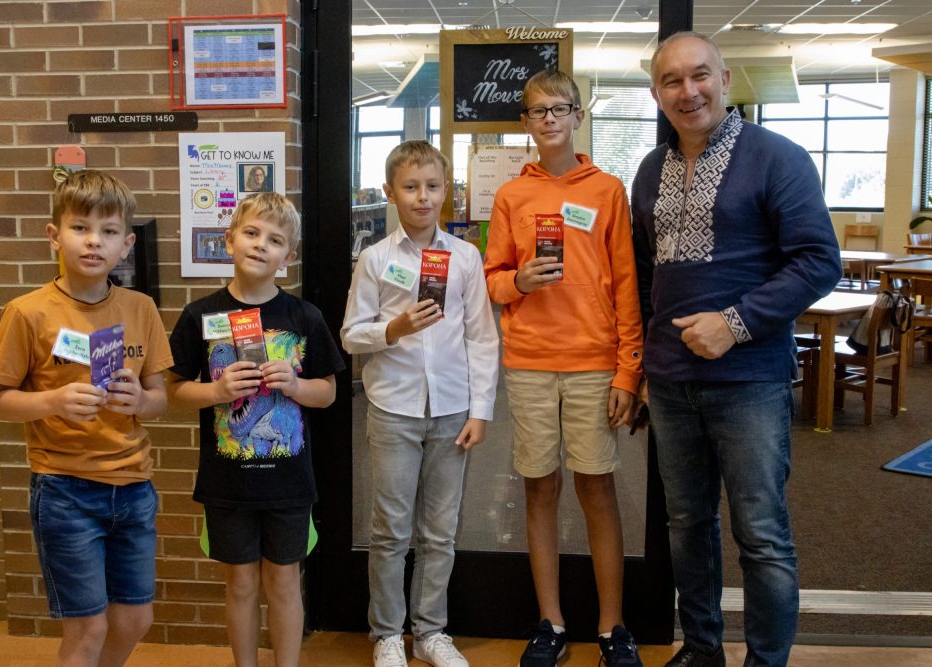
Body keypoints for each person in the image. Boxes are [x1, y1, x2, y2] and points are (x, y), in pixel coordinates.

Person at [631, 32, 843, 667]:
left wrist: (736, 322)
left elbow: (817, 261)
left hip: (750, 380)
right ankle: (701, 651)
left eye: (700, 76)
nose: (687, 91)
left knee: (762, 535)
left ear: (725, 80)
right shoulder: (649, 170)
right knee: (686, 528)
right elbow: (648, 281)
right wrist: (645, 364)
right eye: (672, 81)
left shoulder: (778, 157)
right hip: (669, 385)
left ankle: (764, 661)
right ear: (656, 94)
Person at [483, 69, 644, 667]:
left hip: (593, 362)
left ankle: (612, 626)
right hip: (529, 362)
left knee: (597, 487)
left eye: (560, 108)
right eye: (538, 111)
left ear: (579, 116)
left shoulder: (606, 190)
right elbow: (491, 279)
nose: (549, 118)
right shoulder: (511, 197)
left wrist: (629, 370)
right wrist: (515, 280)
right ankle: (549, 621)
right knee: (539, 488)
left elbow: (626, 283)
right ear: (524, 123)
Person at [0, 170, 174, 667]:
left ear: (126, 244)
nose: (94, 241)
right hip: (65, 490)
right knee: (87, 627)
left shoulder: (141, 307)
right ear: (54, 236)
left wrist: (140, 401)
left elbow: (160, 398)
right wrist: (52, 402)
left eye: (109, 231)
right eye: (80, 227)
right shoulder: (27, 313)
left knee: (135, 620)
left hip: (133, 488)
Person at [166, 192, 344, 667]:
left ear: (288, 257)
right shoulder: (198, 315)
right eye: (251, 233)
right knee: (240, 583)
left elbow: (327, 393)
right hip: (229, 484)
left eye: (275, 239)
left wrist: (296, 384)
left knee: (284, 581)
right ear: (229, 240)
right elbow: (173, 391)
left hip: (289, 484)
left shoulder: (304, 317)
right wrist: (217, 391)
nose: (261, 245)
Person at [341, 140, 499, 667]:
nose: (422, 197)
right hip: (393, 410)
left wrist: (481, 410)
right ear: (390, 192)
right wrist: (394, 327)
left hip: (453, 410)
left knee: (440, 529)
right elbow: (350, 335)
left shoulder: (465, 257)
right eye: (410, 187)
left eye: (432, 187)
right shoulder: (376, 258)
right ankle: (387, 633)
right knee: (390, 528)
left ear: (446, 191)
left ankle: (431, 631)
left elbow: (481, 338)